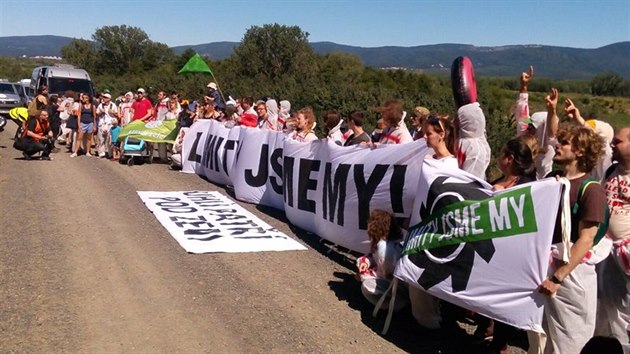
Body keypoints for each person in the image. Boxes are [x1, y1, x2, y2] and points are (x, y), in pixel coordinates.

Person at [537, 94, 607, 353]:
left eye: (564, 144)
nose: (557, 146)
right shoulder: (555, 179)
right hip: (548, 267)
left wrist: (558, 277)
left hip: (571, 274)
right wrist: (551, 111)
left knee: (570, 339)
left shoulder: (592, 190)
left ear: (578, 151)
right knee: (544, 336)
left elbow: (586, 239)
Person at [595, 126, 630, 344]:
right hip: (605, 251)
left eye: (618, 141)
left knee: (626, 305)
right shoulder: (611, 170)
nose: (612, 145)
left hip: (626, 254)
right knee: (604, 303)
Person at [356, 209, 408, 310]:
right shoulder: (388, 241)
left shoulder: (384, 248)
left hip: (400, 286)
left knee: (367, 286)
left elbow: (384, 273)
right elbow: (374, 258)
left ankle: (395, 306)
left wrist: (363, 275)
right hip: (398, 282)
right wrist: (365, 261)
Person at [455, 101, 491, 180]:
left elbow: (469, 180)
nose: (453, 122)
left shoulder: (475, 151)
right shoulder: (461, 140)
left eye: (457, 119)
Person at [71, 93, 97, 157]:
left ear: (88, 98)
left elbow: (94, 117)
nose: (83, 99)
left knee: (89, 138)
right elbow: (79, 115)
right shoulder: (81, 106)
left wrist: (94, 125)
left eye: (85, 98)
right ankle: (75, 152)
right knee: (79, 138)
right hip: (83, 123)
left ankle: (88, 151)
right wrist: (79, 125)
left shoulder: (92, 106)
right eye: (83, 98)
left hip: (90, 123)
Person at [96, 93, 118, 157]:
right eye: (103, 97)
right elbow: (97, 113)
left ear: (109, 99)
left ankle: (110, 153)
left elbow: (117, 114)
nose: (104, 98)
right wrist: (101, 112)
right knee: (101, 139)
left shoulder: (113, 105)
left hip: (110, 123)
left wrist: (112, 112)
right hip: (102, 123)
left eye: (106, 97)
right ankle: (101, 152)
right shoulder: (100, 105)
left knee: (109, 139)